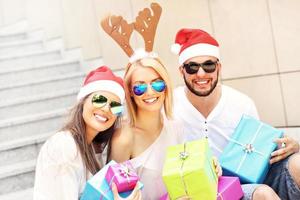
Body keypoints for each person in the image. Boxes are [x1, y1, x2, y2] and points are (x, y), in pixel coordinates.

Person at [172, 28, 300, 200]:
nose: (201, 73)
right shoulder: (170, 105)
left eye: (208, 65)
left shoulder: (241, 103)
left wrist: (290, 147)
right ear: (182, 71)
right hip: (201, 191)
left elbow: (258, 153)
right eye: (192, 67)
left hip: (244, 182)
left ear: (219, 68)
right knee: (263, 194)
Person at [33, 66, 142, 200]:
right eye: (99, 99)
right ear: (83, 101)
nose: (106, 108)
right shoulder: (64, 147)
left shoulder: (93, 148)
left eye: (115, 106)